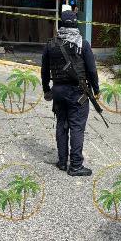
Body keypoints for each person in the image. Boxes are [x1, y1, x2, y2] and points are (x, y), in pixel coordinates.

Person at [41, 10, 99, 176]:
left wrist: (46, 89)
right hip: (77, 93)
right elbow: (92, 70)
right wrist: (96, 89)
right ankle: (75, 166)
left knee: (61, 125)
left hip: (58, 91)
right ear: (75, 24)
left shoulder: (50, 44)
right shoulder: (82, 43)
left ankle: (61, 161)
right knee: (77, 127)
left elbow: (44, 71)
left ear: (61, 24)